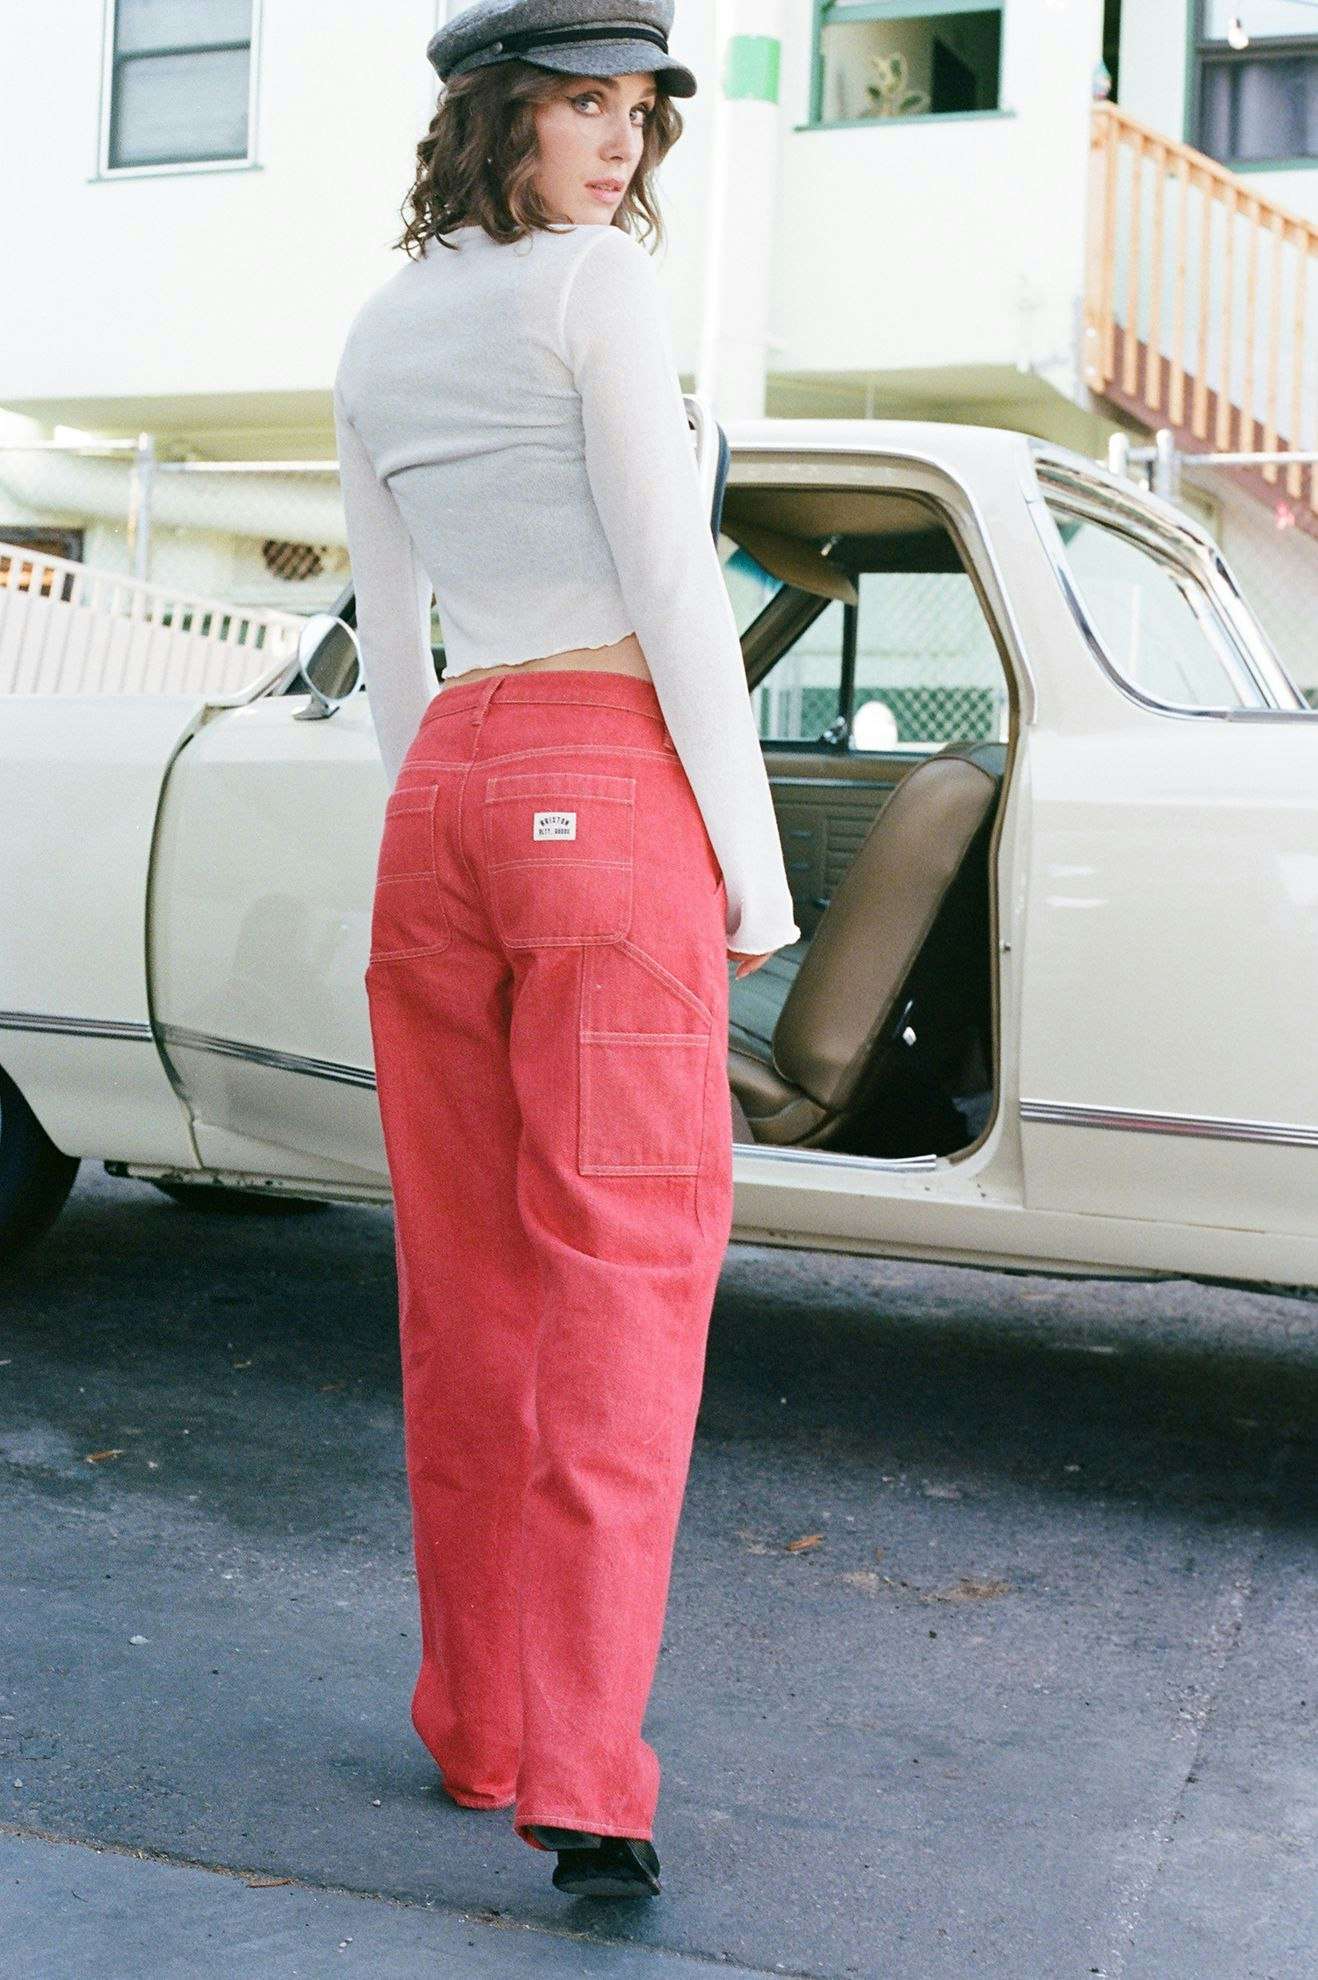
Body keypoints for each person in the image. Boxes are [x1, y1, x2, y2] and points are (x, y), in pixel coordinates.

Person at [332, 0, 800, 1900]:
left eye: (635, 113)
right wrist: (753, 868)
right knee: (623, 1279)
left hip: (440, 791)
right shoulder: (593, 285)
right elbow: (671, 579)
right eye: (581, 107)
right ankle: (588, 1779)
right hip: (604, 785)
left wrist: (433, 797)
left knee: (466, 1291)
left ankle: (479, 1728)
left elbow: (387, 620)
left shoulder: (379, 325)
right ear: (498, 116)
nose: (619, 144)